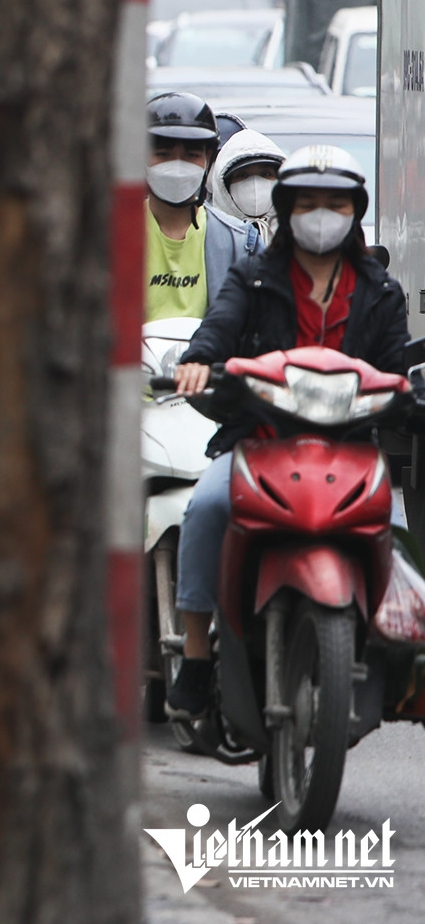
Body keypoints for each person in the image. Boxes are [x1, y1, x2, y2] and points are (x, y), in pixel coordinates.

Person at [165, 147, 412, 716]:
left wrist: (408, 393)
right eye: (308, 203)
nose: (321, 214)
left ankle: (400, 663)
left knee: (397, 534)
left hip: (351, 450)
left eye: (335, 203)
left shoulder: (381, 289)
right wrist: (198, 361)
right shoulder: (253, 277)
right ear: (287, 209)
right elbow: (218, 328)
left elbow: (396, 367)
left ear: (355, 212)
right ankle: (197, 654)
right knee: (207, 507)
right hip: (258, 441)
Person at [143, 92, 253, 324]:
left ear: (208, 159)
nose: (177, 167)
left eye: (190, 155)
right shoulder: (112, 236)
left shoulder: (242, 243)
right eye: (163, 155)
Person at [204, 126, 283, 250]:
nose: (255, 184)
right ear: (224, 186)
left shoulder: (298, 234)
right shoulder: (206, 234)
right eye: (242, 175)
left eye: (266, 174)